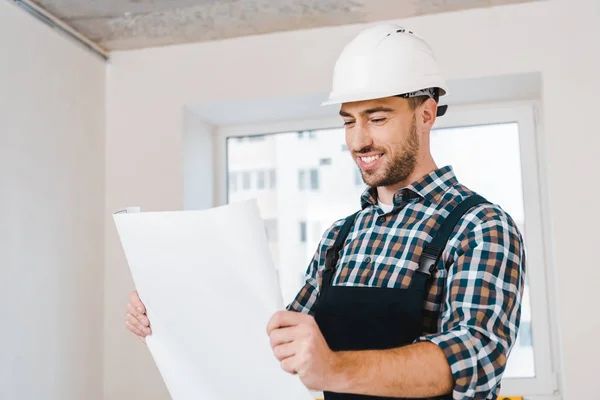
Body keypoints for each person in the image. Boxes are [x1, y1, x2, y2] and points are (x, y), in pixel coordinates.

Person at [126, 24, 525, 400]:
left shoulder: (478, 225)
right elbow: (280, 345)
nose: (359, 140)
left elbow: (475, 357)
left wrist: (333, 368)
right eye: (349, 121)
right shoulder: (341, 235)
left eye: (378, 118)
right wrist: (171, 318)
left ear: (426, 114)